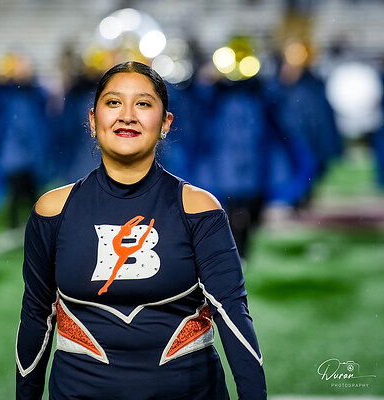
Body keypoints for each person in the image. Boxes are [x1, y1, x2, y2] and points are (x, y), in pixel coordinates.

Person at [15, 61, 267, 399]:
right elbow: (36, 318)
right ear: (92, 120)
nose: (127, 115)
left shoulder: (198, 208)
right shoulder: (53, 210)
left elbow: (233, 314)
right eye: (113, 102)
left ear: (166, 123)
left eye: (143, 104)